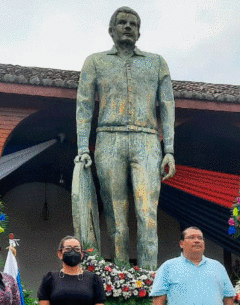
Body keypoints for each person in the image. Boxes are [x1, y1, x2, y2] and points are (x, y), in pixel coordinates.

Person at [75, 6, 176, 269]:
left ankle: (149, 280)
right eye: (122, 22)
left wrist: (170, 150)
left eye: (133, 23)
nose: (128, 26)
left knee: (147, 214)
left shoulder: (156, 62)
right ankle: (121, 278)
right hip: (109, 139)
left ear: (139, 32)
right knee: (116, 216)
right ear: (111, 30)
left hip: (147, 141)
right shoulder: (95, 61)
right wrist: (83, 147)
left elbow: (167, 106)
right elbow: (84, 106)